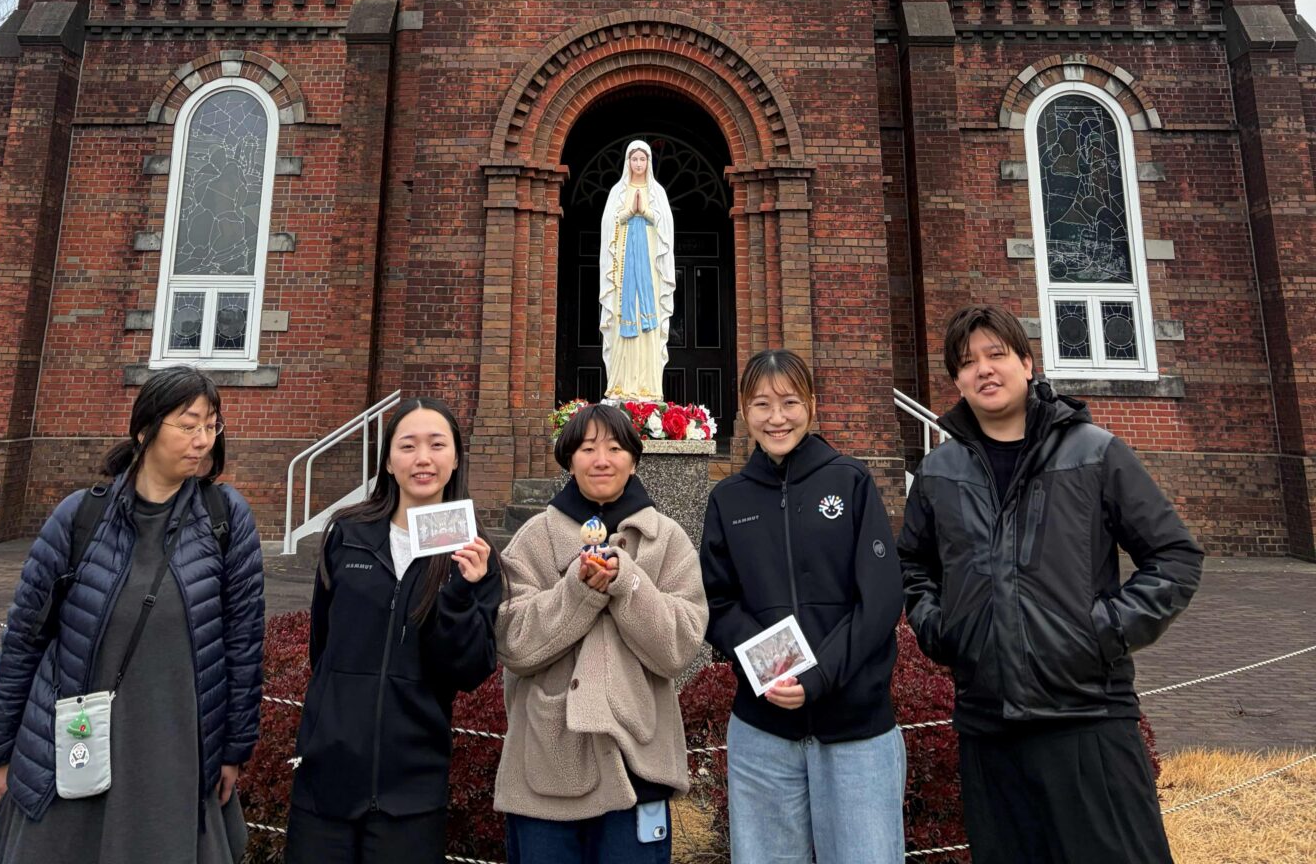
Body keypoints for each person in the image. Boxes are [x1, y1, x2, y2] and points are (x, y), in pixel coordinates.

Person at [898, 303, 1204, 864]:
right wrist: (943, 631)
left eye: (996, 355)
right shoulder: (939, 473)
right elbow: (912, 567)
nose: (984, 370)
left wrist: (1099, 633)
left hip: (1087, 718)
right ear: (956, 380)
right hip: (988, 726)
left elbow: (1175, 557)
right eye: (967, 363)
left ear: (1027, 362)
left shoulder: (1094, 452)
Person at [0, 366, 265, 864]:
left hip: (173, 746)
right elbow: (25, 636)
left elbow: (243, 643)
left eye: (212, 426)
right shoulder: (80, 516)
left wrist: (234, 750)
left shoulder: (226, 518)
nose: (203, 440)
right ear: (144, 429)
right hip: (76, 744)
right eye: (188, 424)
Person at [700, 349, 906, 864]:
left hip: (857, 729)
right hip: (763, 732)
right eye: (762, 404)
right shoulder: (729, 499)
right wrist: (775, 671)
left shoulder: (850, 481)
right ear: (743, 409)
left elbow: (880, 601)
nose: (777, 417)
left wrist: (815, 677)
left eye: (790, 401)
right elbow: (716, 603)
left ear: (812, 405)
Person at [286, 396, 501, 864]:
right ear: (387, 459)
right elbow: (321, 645)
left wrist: (462, 592)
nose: (422, 458)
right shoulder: (347, 534)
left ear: (456, 457)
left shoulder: (473, 553)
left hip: (413, 788)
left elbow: (468, 669)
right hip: (327, 780)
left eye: (436, 445)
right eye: (408, 445)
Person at [496, 401, 708, 864]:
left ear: (634, 458)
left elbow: (680, 646)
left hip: (639, 765)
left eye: (614, 448)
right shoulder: (535, 538)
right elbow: (513, 642)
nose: (601, 459)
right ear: (569, 457)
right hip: (548, 763)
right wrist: (578, 591)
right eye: (588, 447)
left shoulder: (666, 539)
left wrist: (627, 583)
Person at [598, 141, 676, 400]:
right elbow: (608, 224)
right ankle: (620, 385)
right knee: (623, 318)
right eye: (635, 159)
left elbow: (666, 227)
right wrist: (628, 212)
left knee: (648, 322)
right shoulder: (617, 192)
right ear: (628, 162)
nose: (639, 164)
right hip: (622, 272)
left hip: (650, 272)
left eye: (643, 159)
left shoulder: (658, 192)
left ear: (649, 162)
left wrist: (647, 212)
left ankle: (649, 387)